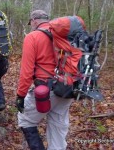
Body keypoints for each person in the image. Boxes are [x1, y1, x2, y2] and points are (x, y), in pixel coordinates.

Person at [15, 10, 73, 150]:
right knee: (58, 130)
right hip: (66, 87)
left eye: (31, 23)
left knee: (26, 121)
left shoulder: (32, 37)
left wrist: (20, 95)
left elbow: (26, 71)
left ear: (34, 20)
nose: (31, 25)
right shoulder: (63, 35)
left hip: (45, 90)